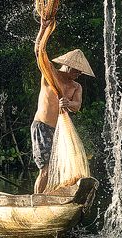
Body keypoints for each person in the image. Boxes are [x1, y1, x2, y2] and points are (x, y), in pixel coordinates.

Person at [32, 48, 95, 193]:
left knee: (61, 168)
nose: (79, 74)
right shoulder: (50, 75)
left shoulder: (76, 87)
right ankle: (36, 201)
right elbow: (39, 52)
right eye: (77, 71)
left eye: (80, 72)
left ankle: (50, 197)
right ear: (68, 66)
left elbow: (77, 106)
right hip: (42, 126)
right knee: (46, 168)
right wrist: (43, 30)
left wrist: (68, 103)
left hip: (60, 131)